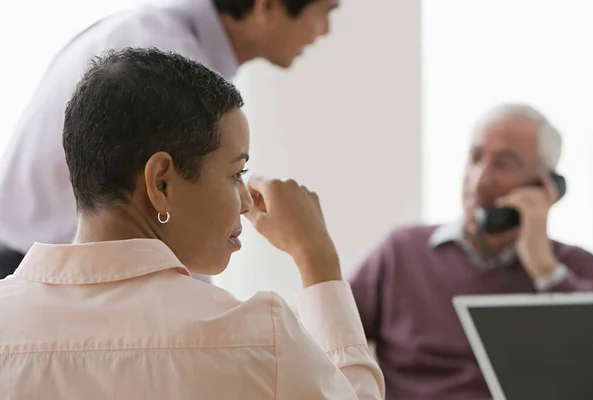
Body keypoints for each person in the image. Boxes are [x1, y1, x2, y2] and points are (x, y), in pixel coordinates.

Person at [0, 47, 383, 399]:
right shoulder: (258, 338)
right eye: (236, 173)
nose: (247, 199)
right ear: (161, 182)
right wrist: (316, 257)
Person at [0, 0, 339, 278]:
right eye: (324, 12)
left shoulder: (151, 35)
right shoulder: (168, 67)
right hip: (39, 278)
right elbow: (182, 235)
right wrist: (313, 253)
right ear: (267, 7)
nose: (325, 31)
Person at [350, 103, 593, 400]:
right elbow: (326, 340)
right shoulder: (401, 252)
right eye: (476, 157)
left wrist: (545, 269)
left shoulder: (577, 268)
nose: (481, 179)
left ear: (545, 186)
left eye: (504, 163)